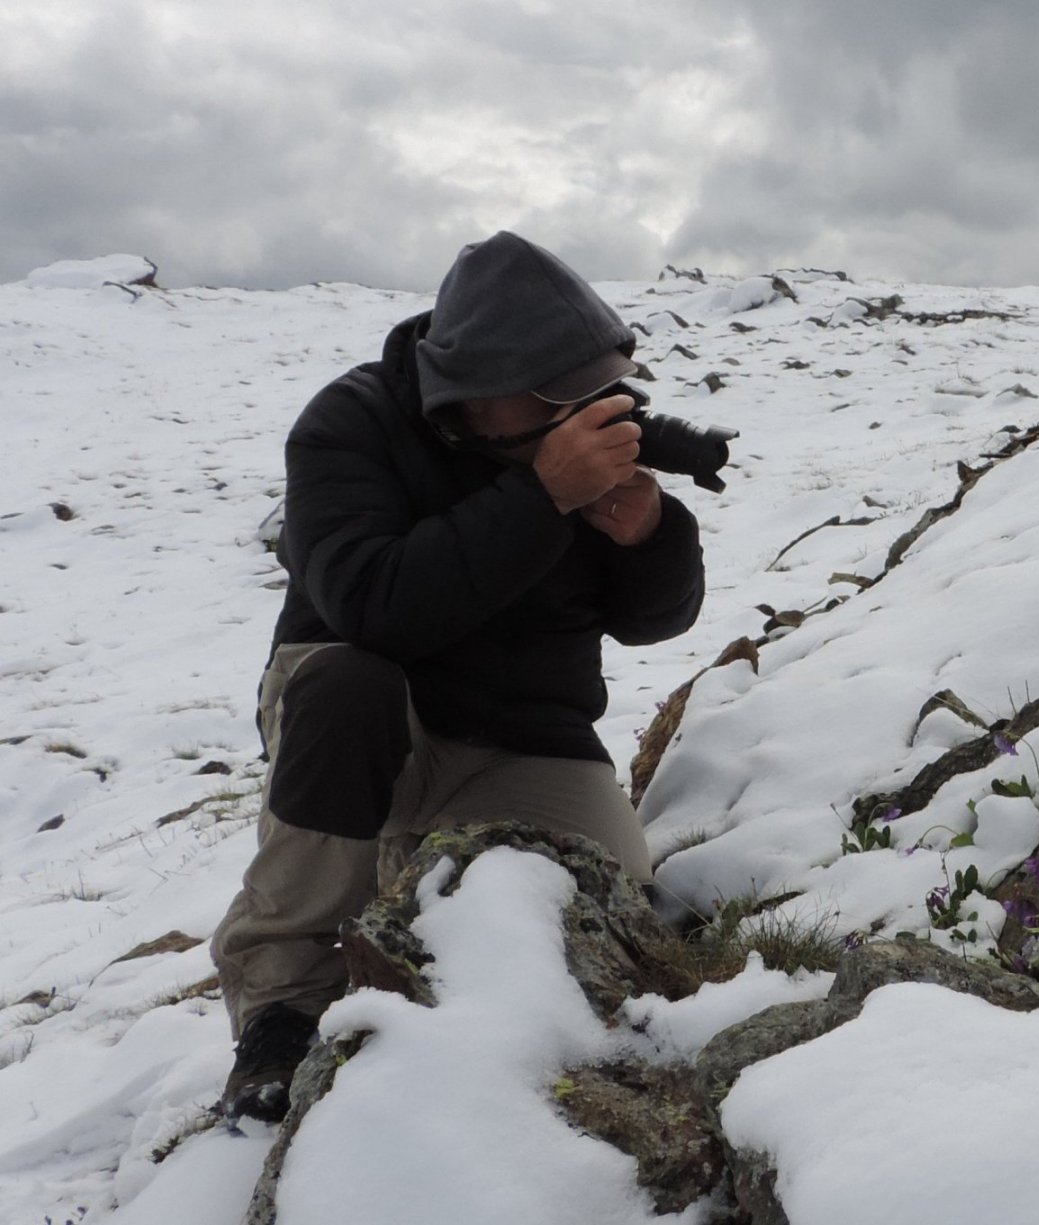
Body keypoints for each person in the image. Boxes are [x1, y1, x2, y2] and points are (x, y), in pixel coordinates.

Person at [210, 232, 704, 1123]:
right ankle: (282, 1004)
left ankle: (414, 878)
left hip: (523, 734)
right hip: (373, 722)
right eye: (557, 396)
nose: (585, 409)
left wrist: (650, 539)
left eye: (594, 387)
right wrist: (540, 496)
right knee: (345, 683)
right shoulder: (348, 424)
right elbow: (372, 605)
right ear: (476, 389)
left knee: (618, 910)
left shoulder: (580, 434)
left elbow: (654, 622)